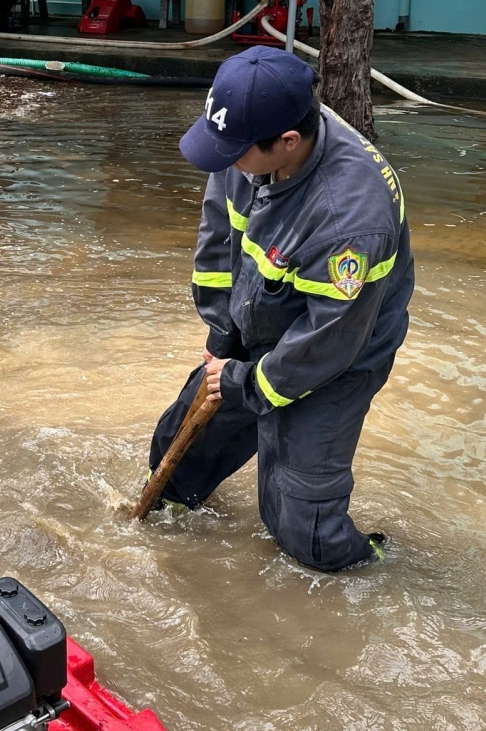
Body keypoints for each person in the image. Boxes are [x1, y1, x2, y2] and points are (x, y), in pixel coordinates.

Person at [147, 47, 414, 571]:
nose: (223, 161)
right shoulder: (249, 137)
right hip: (264, 308)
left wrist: (248, 382)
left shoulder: (349, 218)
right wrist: (222, 336)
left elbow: (329, 338)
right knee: (176, 453)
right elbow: (219, 236)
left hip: (338, 349)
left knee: (300, 526)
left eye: (232, 152)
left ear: (289, 142)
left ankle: (378, 565)